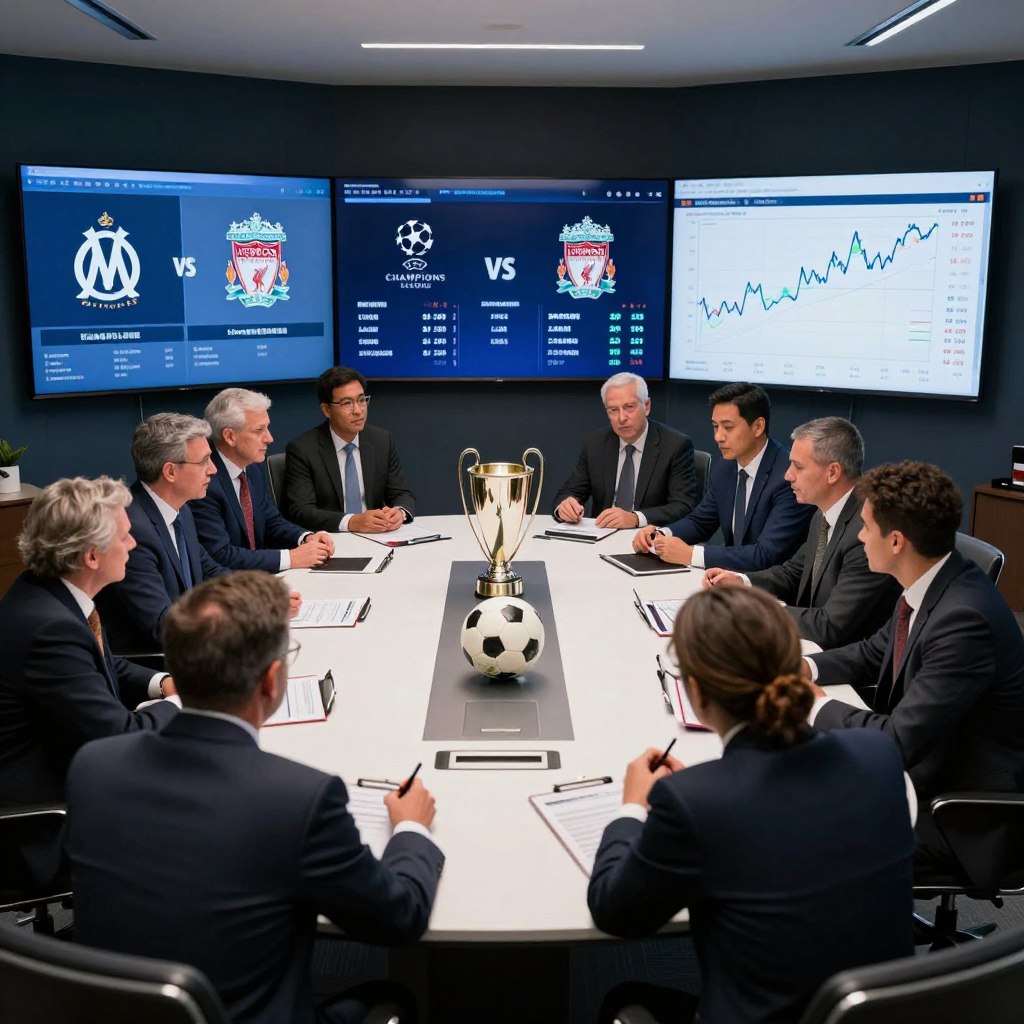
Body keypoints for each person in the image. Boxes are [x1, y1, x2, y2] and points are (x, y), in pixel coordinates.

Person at [67, 571, 444, 1024]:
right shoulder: (300, 800)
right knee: (391, 999)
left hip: (113, 1011)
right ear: (271, 682)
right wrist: (411, 829)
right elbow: (398, 919)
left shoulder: (92, 767)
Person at [588, 587, 915, 1024]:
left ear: (696, 693)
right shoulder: (878, 756)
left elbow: (615, 911)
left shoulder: (694, 802)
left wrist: (633, 808)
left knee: (623, 1000)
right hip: (880, 1013)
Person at [804, 461, 1024, 863]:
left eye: (867, 527)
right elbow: (874, 652)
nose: (859, 536)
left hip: (959, 808)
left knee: (805, 824)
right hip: (929, 761)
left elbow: (898, 742)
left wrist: (812, 703)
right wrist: (806, 669)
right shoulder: (930, 580)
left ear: (896, 542)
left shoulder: (964, 619)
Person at [0, 478, 179, 883]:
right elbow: (118, 736)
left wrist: (165, 684)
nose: (133, 544)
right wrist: (187, 702)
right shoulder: (48, 627)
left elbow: (104, 664)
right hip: (43, 819)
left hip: (70, 764)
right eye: (126, 536)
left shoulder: (54, 594)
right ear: (92, 555)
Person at [702, 416, 901, 648]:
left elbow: (830, 626)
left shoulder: (867, 533)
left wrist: (756, 609)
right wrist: (742, 582)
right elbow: (793, 572)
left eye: (798, 466)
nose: (788, 475)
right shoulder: (824, 513)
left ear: (833, 472)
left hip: (844, 668)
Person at [633, 382, 813, 571]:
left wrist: (690, 554)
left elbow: (765, 555)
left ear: (758, 427)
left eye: (728, 427)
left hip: (771, 588)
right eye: (715, 426)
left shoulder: (788, 477)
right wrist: (661, 535)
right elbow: (700, 522)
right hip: (727, 577)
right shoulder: (727, 466)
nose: (718, 437)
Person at [96, 413, 229, 654]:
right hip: (155, 662)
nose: (213, 470)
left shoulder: (181, 510)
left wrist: (262, 595)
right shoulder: (132, 530)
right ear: (170, 472)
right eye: (204, 461)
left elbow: (210, 570)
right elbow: (161, 626)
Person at [192, 388, 335, 571]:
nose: (269, 438)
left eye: (267, 428)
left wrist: (305, 537)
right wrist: (291, 558)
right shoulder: (204, 480)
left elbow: (271, 521)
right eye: (259, 430)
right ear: (229, 436)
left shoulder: (251, 466)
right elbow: (220, 554)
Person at [552, 372, 697, 528]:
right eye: (613, 410)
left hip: (649, 538)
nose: (621, 418)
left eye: (629, 407)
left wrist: (635, 518)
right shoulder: (595, 443)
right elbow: (570, 491)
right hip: (601, 536)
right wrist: (564, 507)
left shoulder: (675, 445)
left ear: (646, 406)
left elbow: (683, 506)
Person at [284, 366, 416, 534]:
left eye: (362, 400)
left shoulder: (382, 440)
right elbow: (301, 511)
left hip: (378, 537)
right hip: (331, 539)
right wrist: (352, 522)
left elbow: (402, 493)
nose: (358, 410)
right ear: (326, 409)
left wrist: (399, 512)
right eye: (347, 403)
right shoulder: (303, 449)